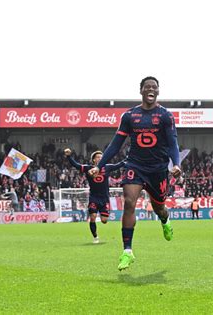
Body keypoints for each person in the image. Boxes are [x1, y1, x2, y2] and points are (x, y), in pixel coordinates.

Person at [89, 76, 181, 271]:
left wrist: (176, 164)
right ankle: (127, 251)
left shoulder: (165, 116)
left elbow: (173, 143)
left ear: (158, 91)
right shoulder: (129, 116)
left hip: (158, 169)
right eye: (147, 87)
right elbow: (116, 144)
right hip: (135, 165)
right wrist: (101, 165)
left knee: (159, 208)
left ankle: (165, 220)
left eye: (154, 87)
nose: (151, 89)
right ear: (140, 90)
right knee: (129, 202)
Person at [65, 148, 125, 243]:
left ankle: (99, 225)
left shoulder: (107, 167)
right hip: (94, 197)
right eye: (98, 157)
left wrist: (129, 159)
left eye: (101, 157)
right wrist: (68, 156)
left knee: (104, 220)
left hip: (104, 198)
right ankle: (95, 237)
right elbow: (76, 165)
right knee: (92, 216)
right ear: (93, 159)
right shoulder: (88, 168)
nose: (100, 158)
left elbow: (120, 164)